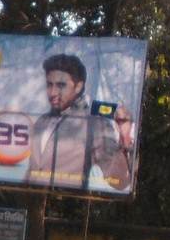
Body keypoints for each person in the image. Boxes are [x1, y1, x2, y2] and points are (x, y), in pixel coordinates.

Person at [26, 53, 135, 192]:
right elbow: (32, 170)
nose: (52, 92)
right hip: (32, 205)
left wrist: (124, 141)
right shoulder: (42, 121)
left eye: (60, 85)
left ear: (78, 86)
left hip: (66, 204)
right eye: (49, 84)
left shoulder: (94, 123)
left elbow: (119, 182)